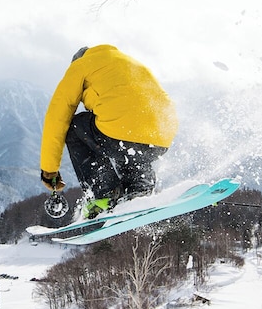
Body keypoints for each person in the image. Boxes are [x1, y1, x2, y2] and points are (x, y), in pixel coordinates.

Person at [40, 45, 178, 219]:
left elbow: (57, 118)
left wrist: (49, 171)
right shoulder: (129, 62)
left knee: (77, 128)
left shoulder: (80, 66)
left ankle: (103, 194)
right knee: (126, 143)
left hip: (121, 133)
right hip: (162, 137)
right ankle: (139, 186)